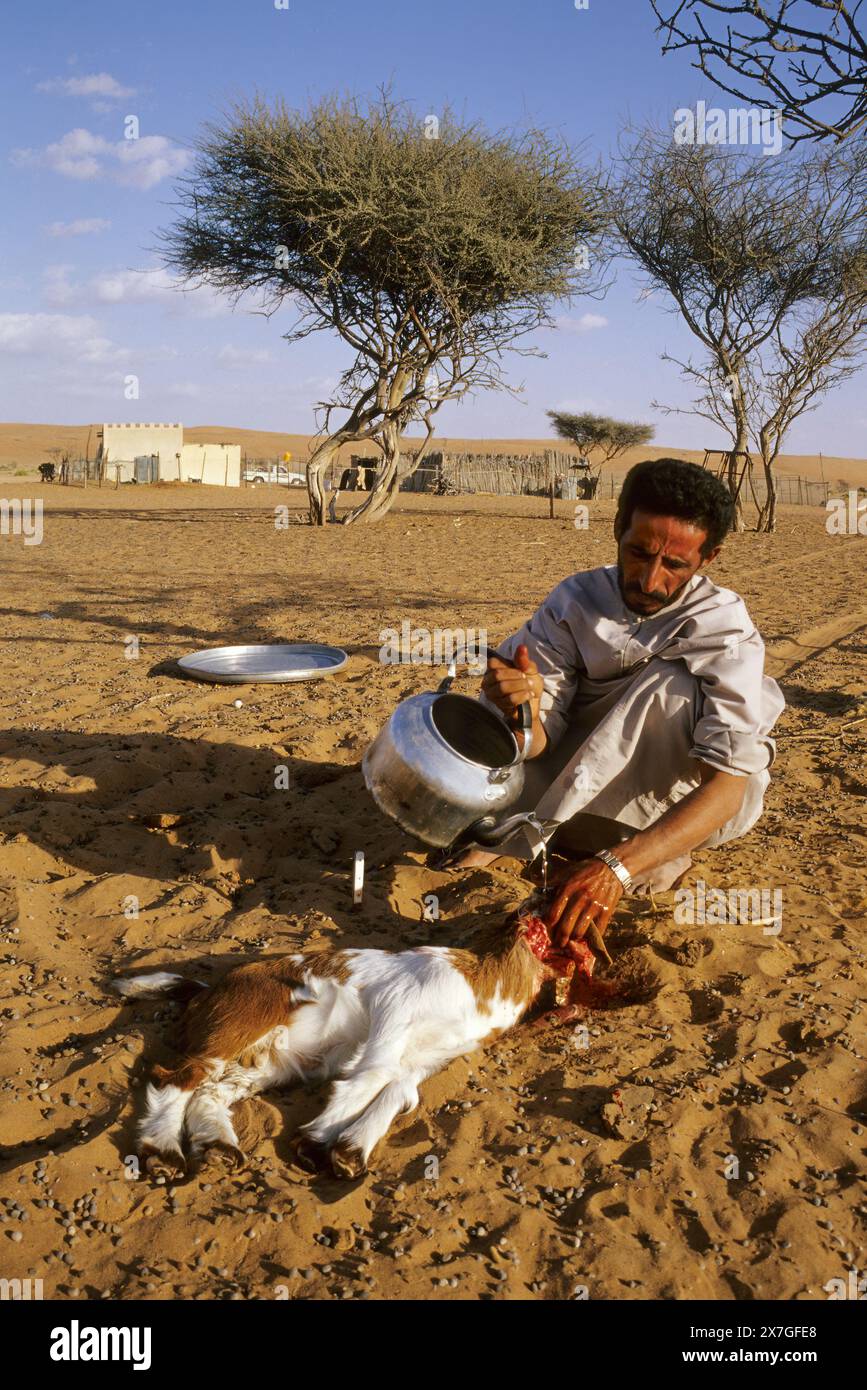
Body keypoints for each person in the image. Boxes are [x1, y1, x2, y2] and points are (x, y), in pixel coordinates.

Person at [458, 458, 784, 950]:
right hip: (570, 772)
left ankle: (640, 848)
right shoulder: (575, 600)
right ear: (617, 530)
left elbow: (726, 789)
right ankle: (548, 834)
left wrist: (615, 868)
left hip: (682, 799)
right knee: (491, 710)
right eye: (638, 553)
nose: (651, 581)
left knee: (668, 687)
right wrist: (520, 709)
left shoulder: (725, 628)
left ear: (709, 558)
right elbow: (541, 738)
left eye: (675, 565)